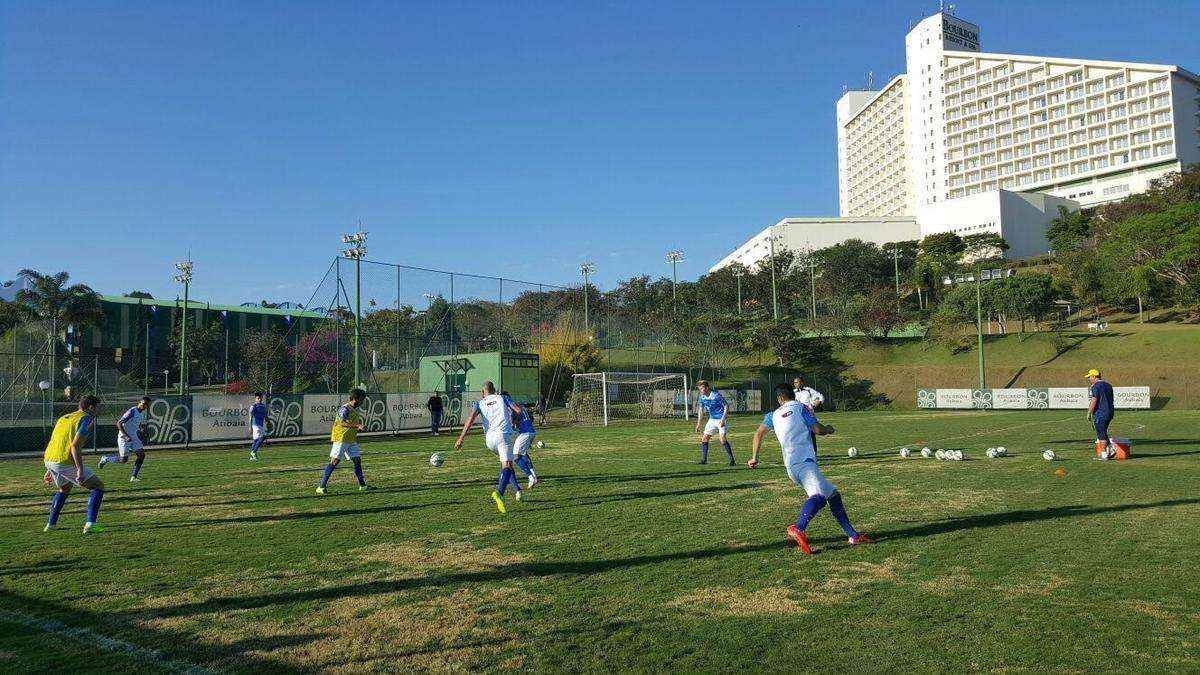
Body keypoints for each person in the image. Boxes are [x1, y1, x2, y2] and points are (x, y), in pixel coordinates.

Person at [748, 384, 870, 554]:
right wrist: (829, 429)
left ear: (780, 398)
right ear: (792, 395)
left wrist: (754, 457)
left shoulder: (772, 415)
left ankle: (853, 536)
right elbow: (817, 429)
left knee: (833, 495)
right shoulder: (801, 408)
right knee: (819, 497)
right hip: (804, 462)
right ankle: (798, 528)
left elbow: (758, 434)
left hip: (791, 465)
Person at [455, 380, 524, 513]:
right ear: (494, 390)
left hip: (490, 440)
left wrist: (461, 438)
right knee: (507, 465)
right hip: (503, 436)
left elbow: (470, 420)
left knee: (507, 464)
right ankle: (499, 493)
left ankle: (517, 490)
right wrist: (515, 420)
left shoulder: (479, 403)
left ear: (483, 392)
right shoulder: (503, 398)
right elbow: (518, 410)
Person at [43, 395, 106, 533]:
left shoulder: (64, 417)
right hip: (63, 461)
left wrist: (49, 467)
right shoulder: (86, 418)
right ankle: (91, 524)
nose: (100, 409)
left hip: (50, 458)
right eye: (99, 407)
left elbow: (56, 440)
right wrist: (79, 469)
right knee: (97, 486)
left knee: (65, 488)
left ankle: (51, 525)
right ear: (91, 407)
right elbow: (75, 446)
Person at [317, 388, 372, 494]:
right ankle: (321, 487)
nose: (362, 402)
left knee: (357, 460)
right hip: (341, 438)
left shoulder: (354, 409)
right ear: (355, 399)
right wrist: (357, 425)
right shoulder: (345, 409)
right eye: (362, 399)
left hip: (351, 439)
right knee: (334, 461)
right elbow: (341, 423)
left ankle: (363, 486)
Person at [98, 396, 150, 481]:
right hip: (124, 437)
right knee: (123, 460)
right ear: (139, 402)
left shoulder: (142, 413)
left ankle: (134, 477)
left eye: (147, 405)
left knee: (141, 455)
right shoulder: (132, 411)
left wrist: (141, 428)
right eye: (143, 404)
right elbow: (119, 423)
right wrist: (126, 436)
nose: (144, 406)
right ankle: (106, 459)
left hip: (133, 436)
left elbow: (138, 423)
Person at [504, 392, 539, 490]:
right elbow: (531, 418)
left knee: (515, 457)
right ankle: (534, 475)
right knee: (523, 454)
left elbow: (513, 423)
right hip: (531, 432)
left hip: (525, 433)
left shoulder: (513, 409)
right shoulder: (520, 406)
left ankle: (530, 477)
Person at [694, 380, 735, 466]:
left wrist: (723, 419)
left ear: (707, 388)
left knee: (722, 439)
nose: (700, 390)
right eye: (699, 389)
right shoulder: (702, 398)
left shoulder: (716, 395)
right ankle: (704, 460)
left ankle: (732, 460)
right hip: (712, 419)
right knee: (705, 438)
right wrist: (698, 424)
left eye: (702, 388)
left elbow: (726, 406)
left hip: (720, 419)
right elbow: (701, 410)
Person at [1087, 368, 1116, 460]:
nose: (1089, 379)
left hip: (1101, 413)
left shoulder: (1095, 386)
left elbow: (1094, 400)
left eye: (1090, 377)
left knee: (1101, 433)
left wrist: (1089, 412)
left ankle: (1104, 454)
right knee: (1103, 431)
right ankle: (1111, 449)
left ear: (1094, 376)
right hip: (1110, 412)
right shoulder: (1108, 385)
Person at [248, 392, 269, 461]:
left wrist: (268, 422)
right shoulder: (253, 406)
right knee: (262, 437)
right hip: (255, 424)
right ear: (255, 399)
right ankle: (254, 452)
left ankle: (252, 456)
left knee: (256, 440)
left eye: (260, 398)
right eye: (258, 398)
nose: (259, 399)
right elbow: (250, 417)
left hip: (261, 425)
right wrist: (250, 427)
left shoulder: (263, 406)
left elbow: (265, 415)